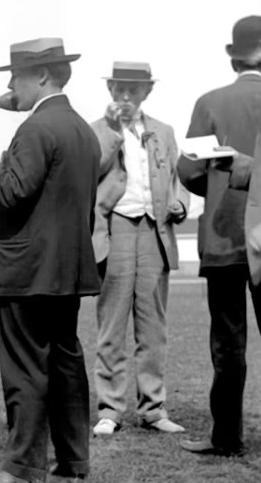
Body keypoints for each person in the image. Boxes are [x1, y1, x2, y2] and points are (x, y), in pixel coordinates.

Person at [0, 37, 101, 483]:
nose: (12, 85)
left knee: (24, 369)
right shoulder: (82, 130)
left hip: (28, 272)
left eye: (15, 76)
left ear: (42, 76)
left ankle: (20, 467)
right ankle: (73, 461)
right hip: (68, 271)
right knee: (66, 366)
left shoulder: (36, 129)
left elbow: (12, 191)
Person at [176, 15, 261, 457]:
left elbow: (189, 169)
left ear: (234, 56)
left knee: (228, 345)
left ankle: (226, 437)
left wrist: (215, 185)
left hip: (224, 237)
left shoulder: (210, 101)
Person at [90, 61, 189, 437]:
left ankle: (153, 409)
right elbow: (93, 169)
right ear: (111, 91)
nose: (126, 97)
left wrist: (178, 203)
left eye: (133, 90)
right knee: (112, 325)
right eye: (119, 90)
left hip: (154, 231)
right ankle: (110, 410)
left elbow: (178, 179)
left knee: (153, 327)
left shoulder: (163, 131)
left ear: (147, 92)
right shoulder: (96, 130)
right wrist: (114, 131)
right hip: (114, 230)